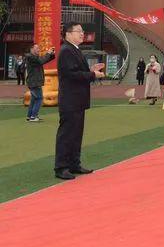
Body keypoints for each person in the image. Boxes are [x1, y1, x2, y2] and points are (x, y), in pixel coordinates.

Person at [54, 22, 106, 180]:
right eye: (78, 31)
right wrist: (92, 75)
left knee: (76, 134)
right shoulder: (66, 51)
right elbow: (71, 75)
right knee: (67, 134)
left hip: (77, 99)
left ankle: (74, 164)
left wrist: (91, 71)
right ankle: (61, 167)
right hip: (70, 99)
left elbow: (77, 72)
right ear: (68, 34)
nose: (82, 33)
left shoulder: (75, 50)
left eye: (82, 31)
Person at [24, 44, 55, 122]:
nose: (39, 49)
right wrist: (48, 53)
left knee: (34, 99)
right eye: (37, 48)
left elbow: (44, 60)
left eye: (39, 48)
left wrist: (51, 54)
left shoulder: (33, 57)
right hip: (34, 82)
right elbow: (41, 61)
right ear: (31, 49)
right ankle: (33, 116)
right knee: (39, 98)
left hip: (34, 81)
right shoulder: (31, 57)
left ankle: (30, 116)